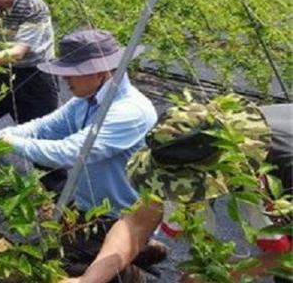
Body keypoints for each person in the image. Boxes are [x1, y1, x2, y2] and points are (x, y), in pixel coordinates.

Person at [0, 28, 159, 281]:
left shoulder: (130, 111)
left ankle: (131, 269)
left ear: (99, 73)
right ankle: (132, 252)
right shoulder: (86, 100)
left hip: (118, 215)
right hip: (85, 204)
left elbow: (68, 153)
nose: (65, 80)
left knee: (58, 267)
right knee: (53, 251)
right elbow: (44, 128)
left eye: (72, 73)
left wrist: (0, 140)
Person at [62, 96, 291, 283]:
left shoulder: (284, 163)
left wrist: (229, 274)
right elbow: (136, 224)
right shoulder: (194, 139)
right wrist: (88, 280)